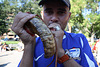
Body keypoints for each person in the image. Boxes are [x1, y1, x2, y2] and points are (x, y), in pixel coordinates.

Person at [11, 0, 98, 67]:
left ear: (69, 16)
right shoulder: (34, 42)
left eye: (61, 12)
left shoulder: (80, 39)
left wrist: (61, 52)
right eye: (49, 12)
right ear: (42, 15)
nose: (54, 18)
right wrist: (28, 44)